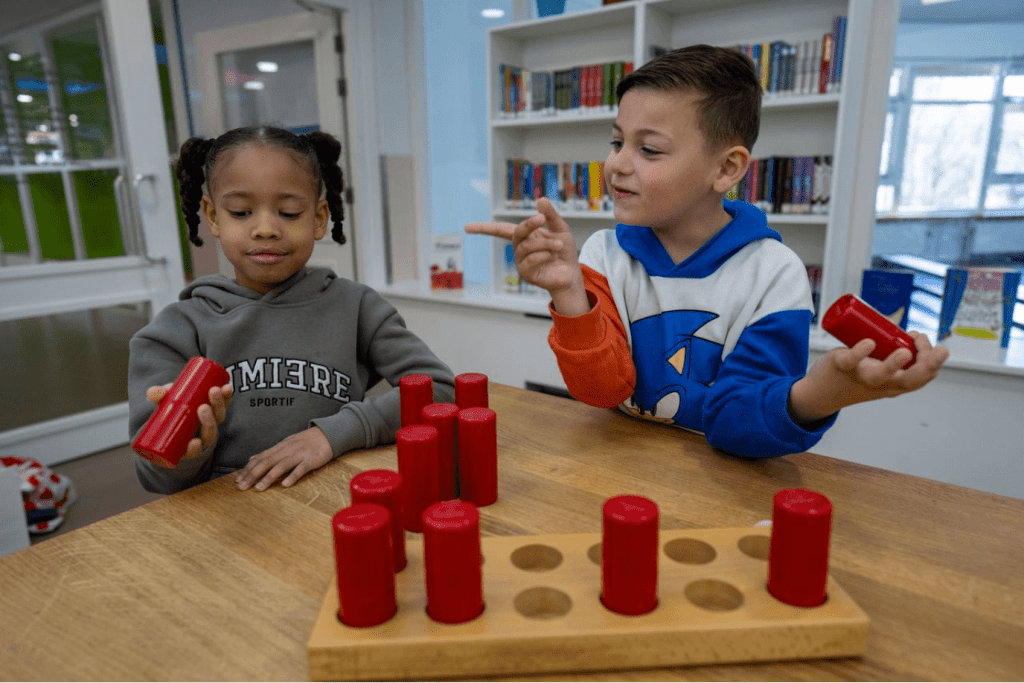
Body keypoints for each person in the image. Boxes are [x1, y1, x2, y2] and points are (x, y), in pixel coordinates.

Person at [466, 45, 948, 458]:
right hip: (617, 464)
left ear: (727, 168)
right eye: (616, 141)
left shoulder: (774, 275)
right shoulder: (602, 253)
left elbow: (737, 420)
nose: (616, 164)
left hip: (723, 481)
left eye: (649, 150)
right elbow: (601, 390)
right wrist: (570, 293)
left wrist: (817, 395)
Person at [129, 125, 455, 494]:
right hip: (232, 520)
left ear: (318, 218)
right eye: (241, 212)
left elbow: (442, 390)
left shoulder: (357, 307)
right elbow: (155, 476)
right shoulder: (174, 332)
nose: (266, 229)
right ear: (213, 216)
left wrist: (333, 435)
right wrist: (187, 452)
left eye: (288, 212)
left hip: (336, 501)